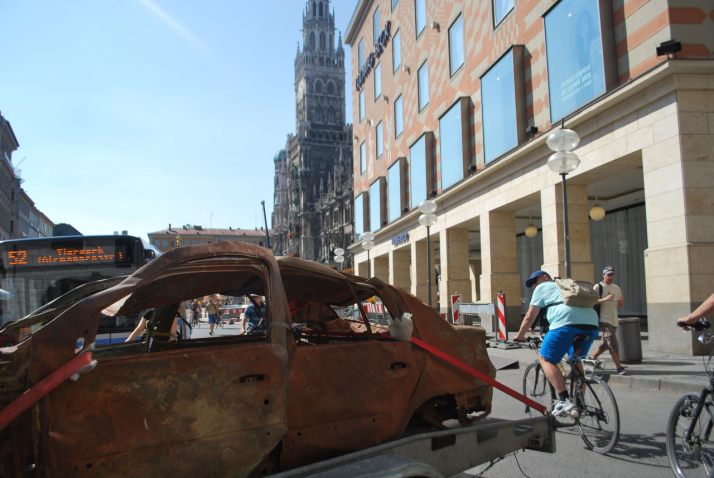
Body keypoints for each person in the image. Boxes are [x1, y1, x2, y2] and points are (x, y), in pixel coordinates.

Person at [514, 270, 599, 416]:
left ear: (546, 277)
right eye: (533, 284)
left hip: (565, 323)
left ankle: (564, 400)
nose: (535, 285)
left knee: (545, 359)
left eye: (535, 281)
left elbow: (530, 316)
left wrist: (520, 335)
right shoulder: (567, 287)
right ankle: (579, 403)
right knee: (576, 361)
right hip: (591, 324)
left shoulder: (543, 287)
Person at [589, 267, 627, 375]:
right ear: (603, 275)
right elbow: (592, 302)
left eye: (611, 275)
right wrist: (605, 299)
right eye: (608, 275)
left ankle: (592, 358)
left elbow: (621, 305)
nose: (610, 277)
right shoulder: (598, 287)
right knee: (613, 343)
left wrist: (621, 301)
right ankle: (619, 367)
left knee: (606, 343)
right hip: (603, 318)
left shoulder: (616, 288)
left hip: (613, 318)